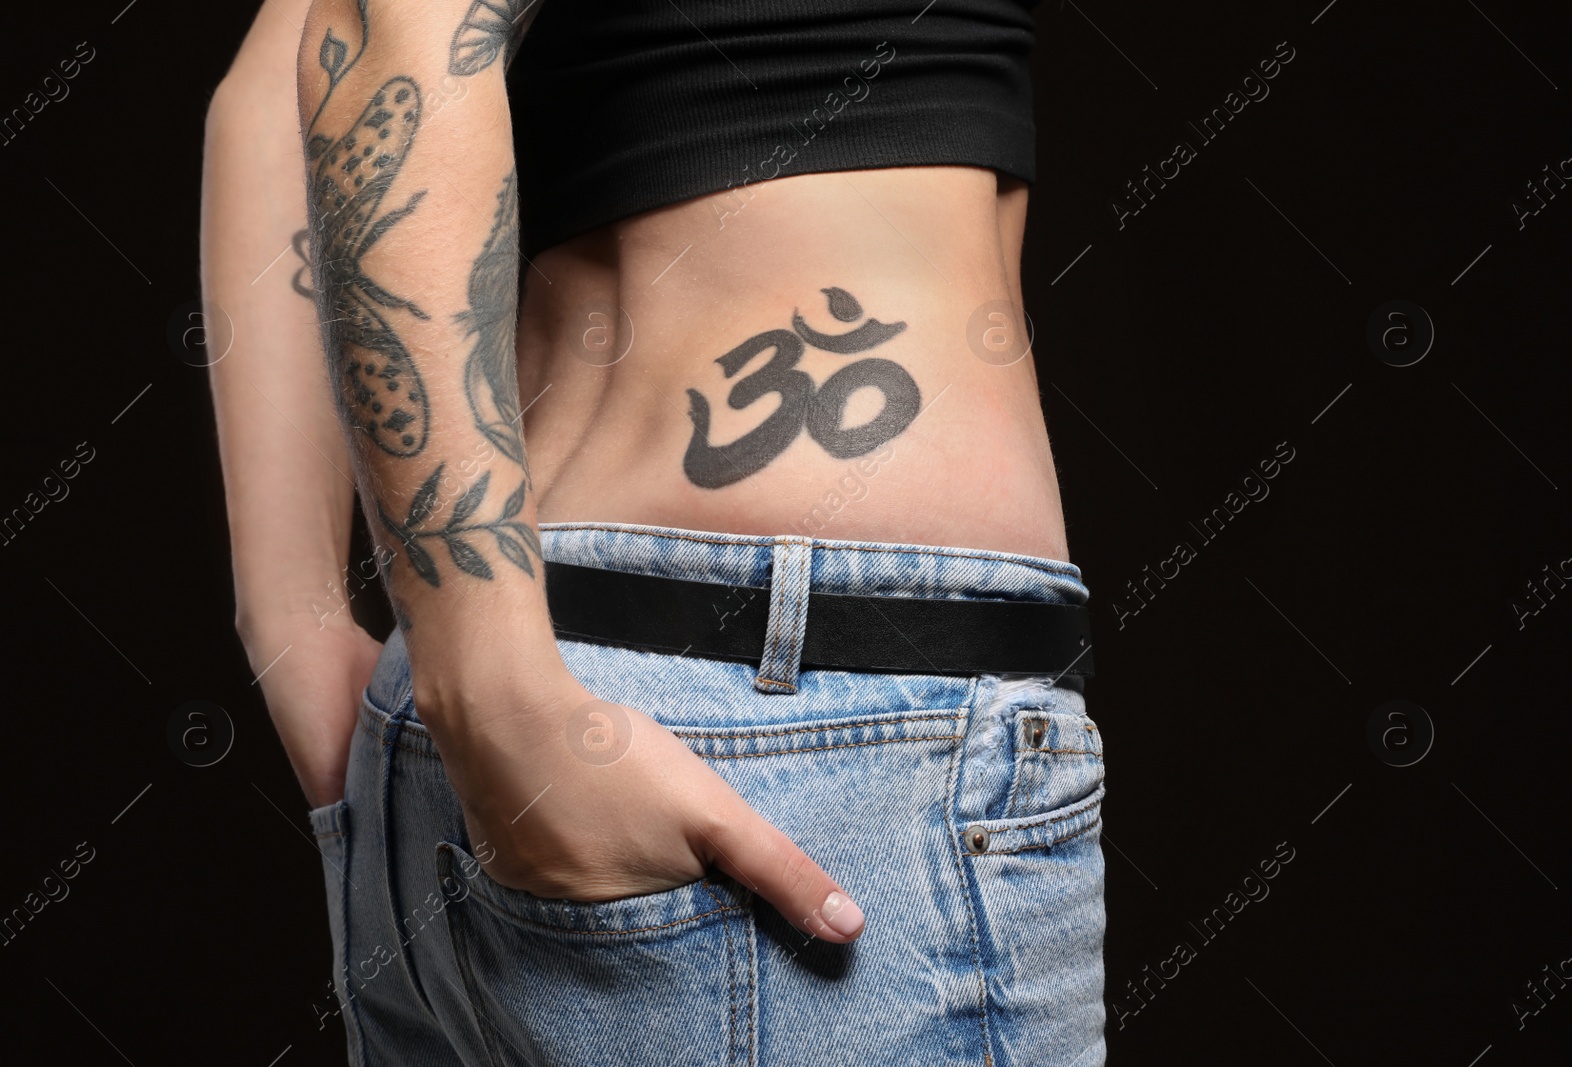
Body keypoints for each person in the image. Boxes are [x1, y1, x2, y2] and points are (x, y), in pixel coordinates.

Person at [204, 0, 1105, 1062]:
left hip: (548, 694)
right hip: (779, 714)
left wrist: (304, 623)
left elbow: (292, 60)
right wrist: (487, 697)